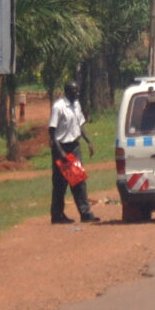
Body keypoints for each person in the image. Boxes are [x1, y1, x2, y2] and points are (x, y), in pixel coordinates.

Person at [48, 80, 96, 223]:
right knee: (60, 183)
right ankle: (57, 215)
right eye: (75, 91)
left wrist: (88, 142)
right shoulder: (58, 107)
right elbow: (51, 131)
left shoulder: (76, 104)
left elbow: (80, 125)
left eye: (77, 90)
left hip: (74, 146)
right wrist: (60, 152)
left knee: (78, 181)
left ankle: (85, 213)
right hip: (61, 147)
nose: (77, 93)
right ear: (67, 92)